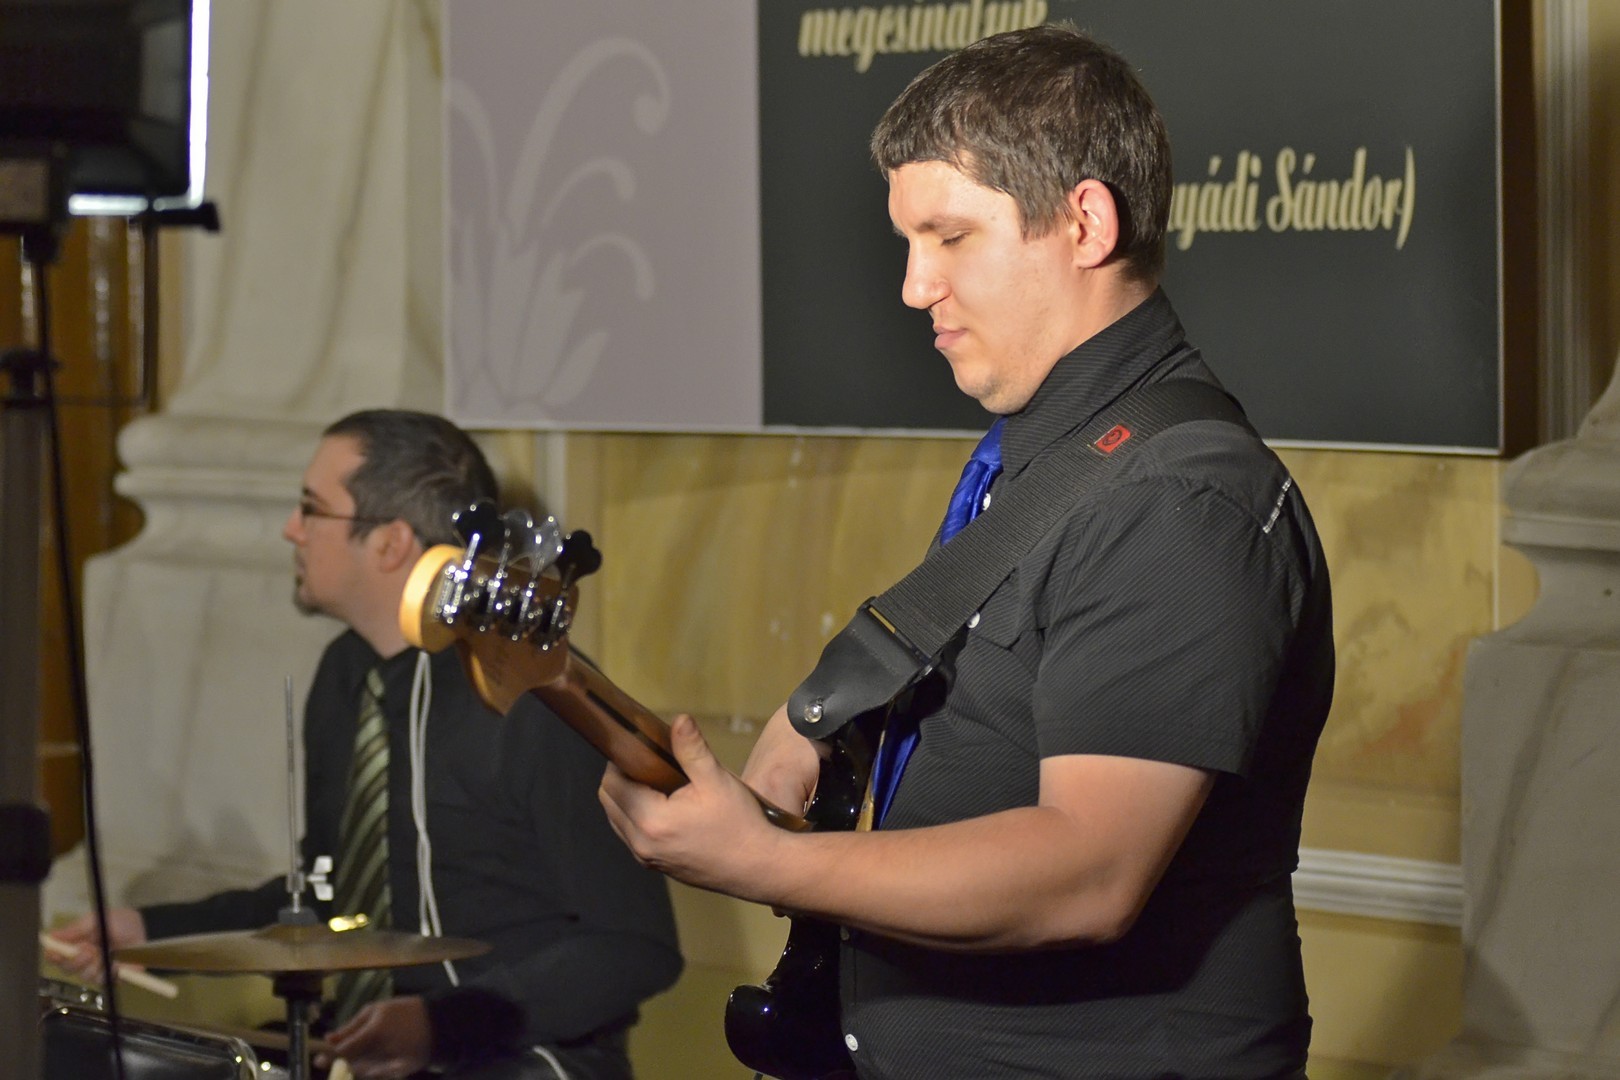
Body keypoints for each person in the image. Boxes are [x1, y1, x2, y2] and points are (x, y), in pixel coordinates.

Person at [598, 24, 1333, 1079]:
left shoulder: (1180, 500)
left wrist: (766, 860)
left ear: (1085, 223)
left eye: (949, 237)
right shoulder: (1056, 454)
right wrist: (820, 725)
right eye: (910, 242)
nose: (913, 286)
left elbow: (1087, 873)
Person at [56, 409, 683, 1080]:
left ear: (389, 542)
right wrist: (150, 930)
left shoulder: (536, 693)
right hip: (384, 1054)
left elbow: (635, 945)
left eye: (311, 508)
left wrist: (443, 1027)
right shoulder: (345, 674)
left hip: (528, 1060)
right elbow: (333, 893)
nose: (290, 529)